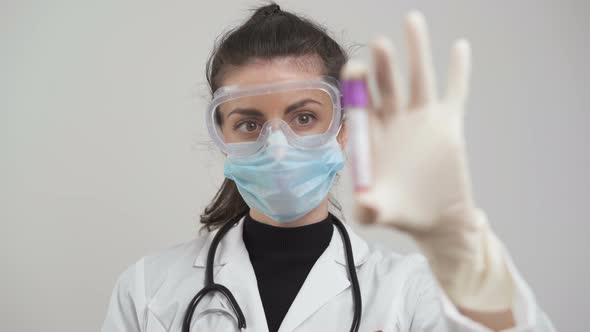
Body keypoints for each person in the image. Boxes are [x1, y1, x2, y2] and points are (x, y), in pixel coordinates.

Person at [102, 3, 555, 332]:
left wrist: (462, 248)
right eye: (249, 123)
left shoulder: (409, 292)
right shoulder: (149, 291)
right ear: (223, 137)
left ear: (342, 128)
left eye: (304, 117)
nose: (277, 148)